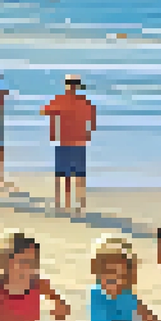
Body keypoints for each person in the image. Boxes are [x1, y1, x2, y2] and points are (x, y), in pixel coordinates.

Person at [88, 235, 161, 321]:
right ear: (98, 273)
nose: (117, 281)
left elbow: (149, 317)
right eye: (110, 274)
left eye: (122, 277)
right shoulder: (98, 295)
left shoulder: (125, 294)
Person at [41, 74, 97, 215]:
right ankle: (78, 204)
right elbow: (93, 121)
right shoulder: (84, 102)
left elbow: (44, 111)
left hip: (66, 140)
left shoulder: (61, 100)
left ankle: (64, 204)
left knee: (65, 175)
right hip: (77, 141)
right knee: (77, 175)